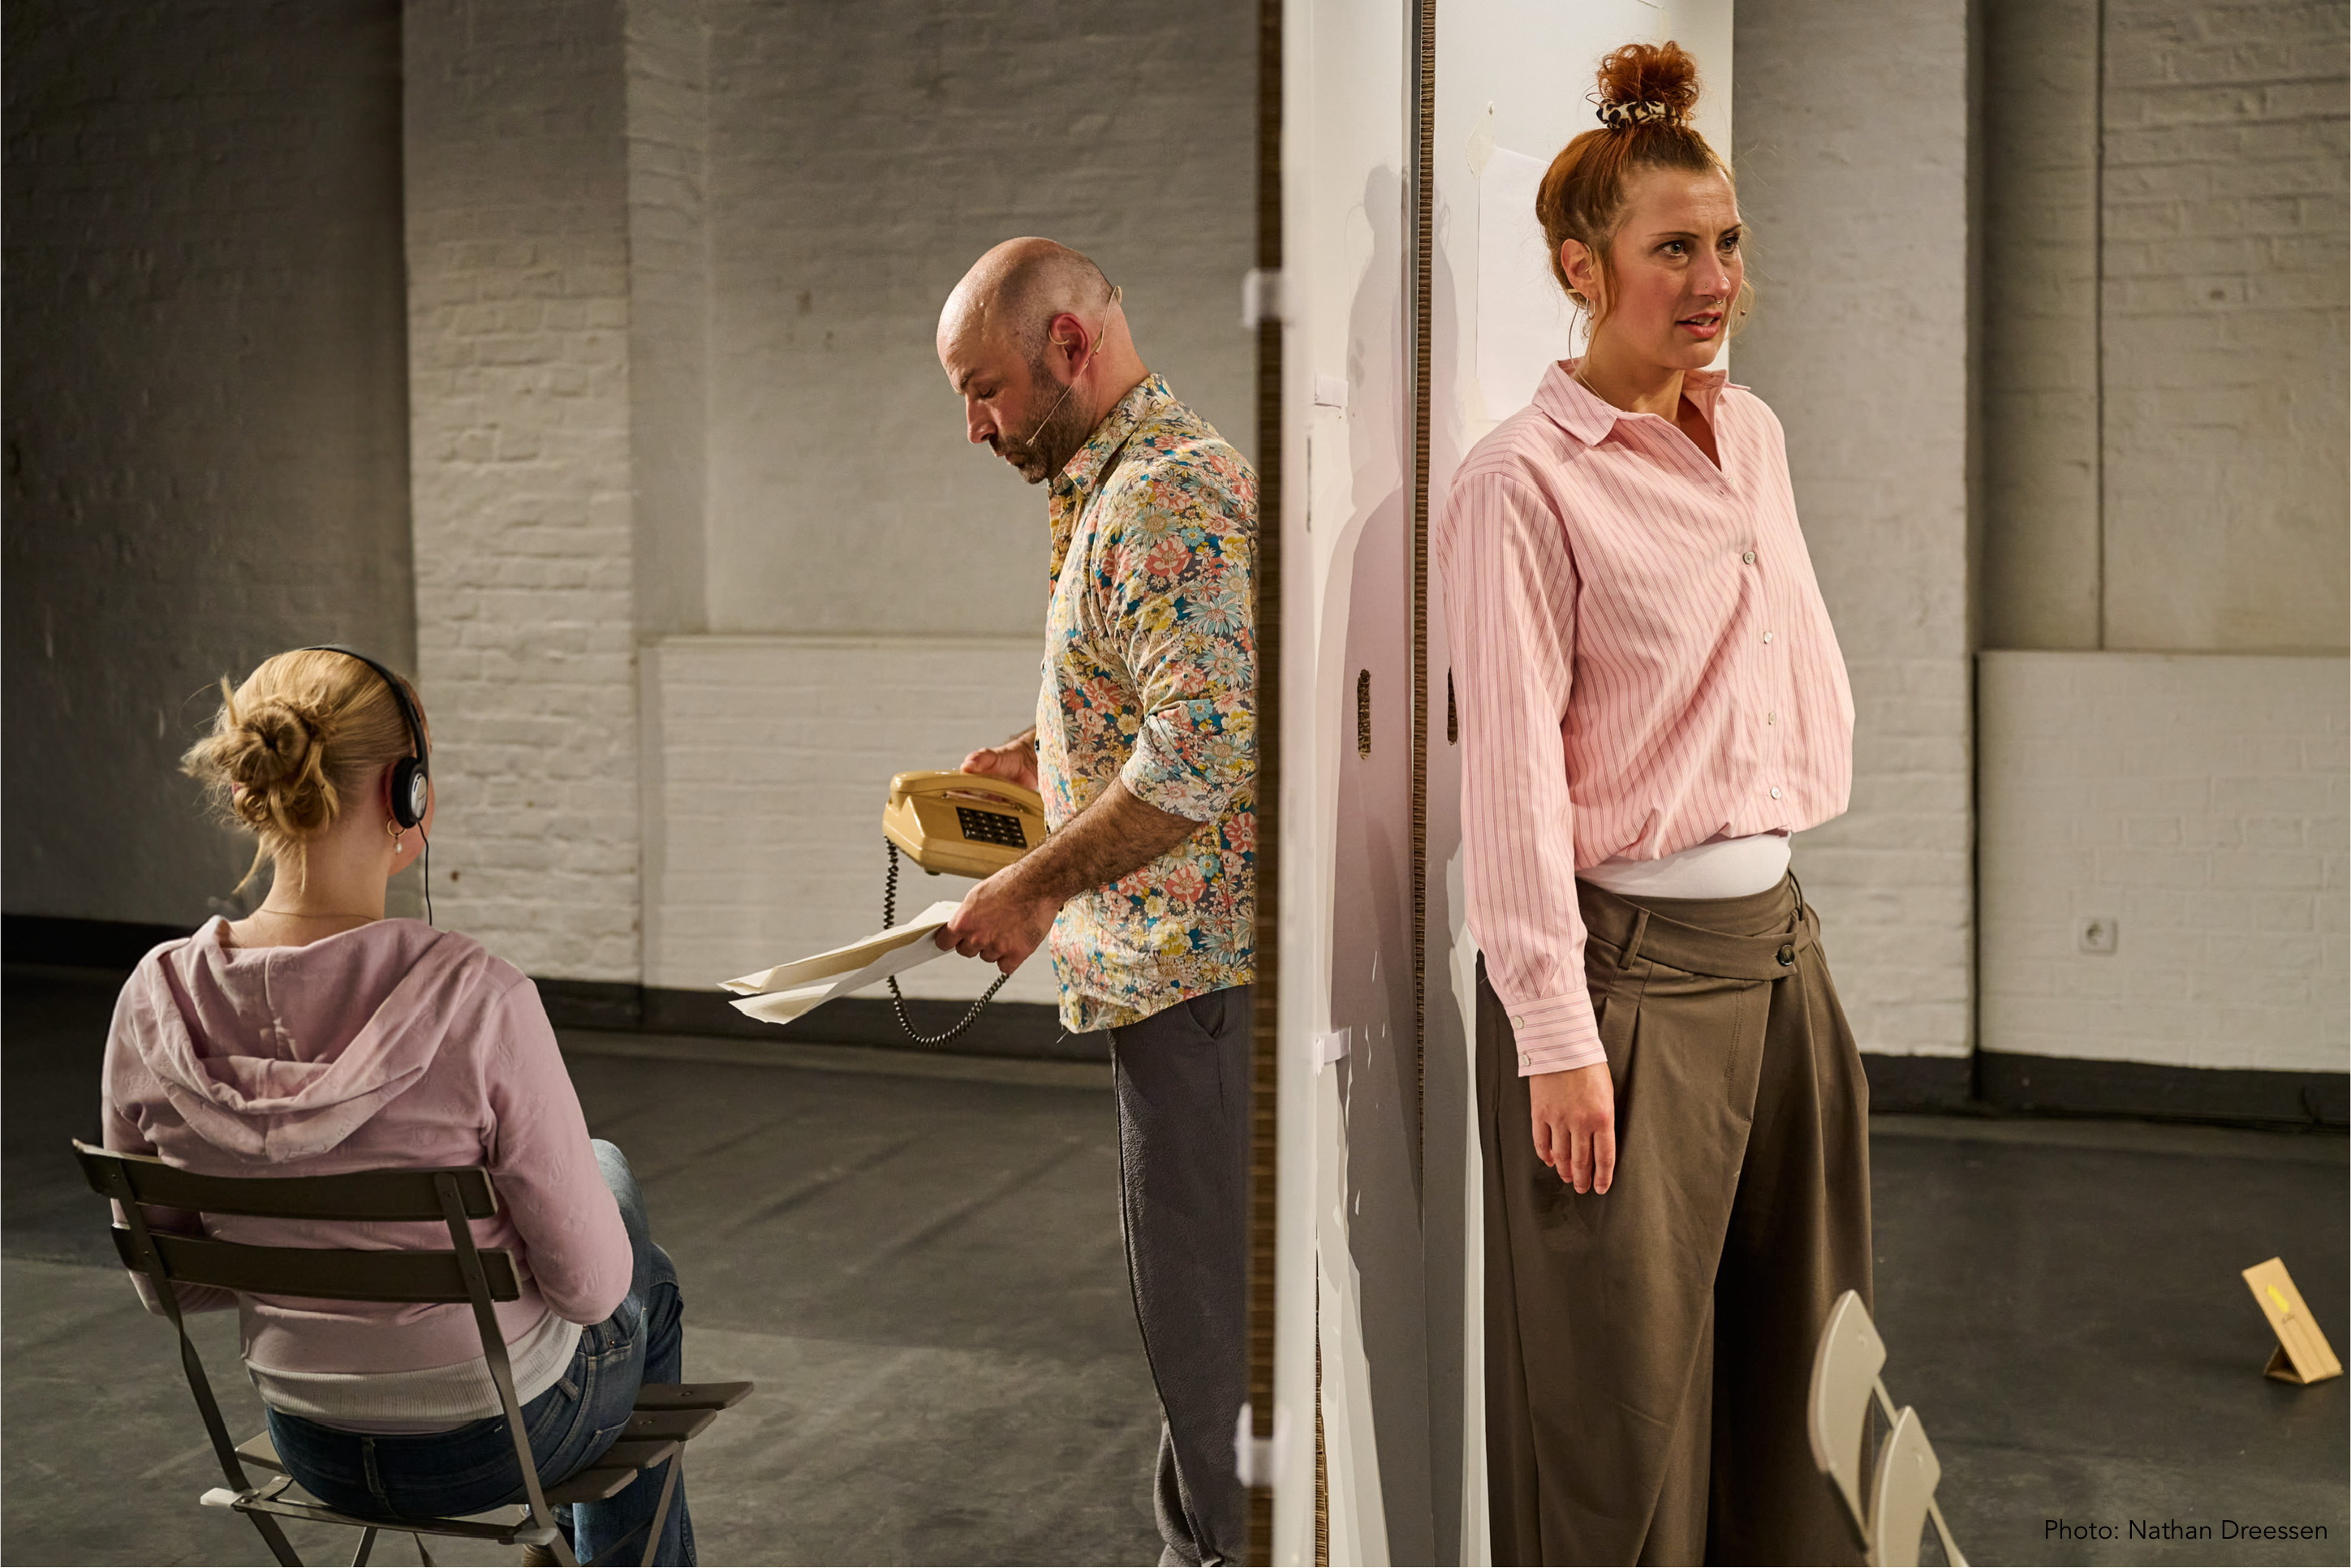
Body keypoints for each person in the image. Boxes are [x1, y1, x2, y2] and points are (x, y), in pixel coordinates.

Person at [1435, 43, 1872, 1567]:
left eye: (1726, 242)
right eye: (1672, 248)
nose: (1712, 280)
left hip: (1782, 963)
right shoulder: (1521, 483)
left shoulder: (1750, 435)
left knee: (1803, 1387)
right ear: (1582, 267)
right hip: (1625, 987)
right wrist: (1555, 1035)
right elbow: (1506, 781)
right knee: (1616, 1415)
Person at [100, 647, 695, 1566]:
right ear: (404, 794)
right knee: (628, 1235)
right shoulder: (476, 996)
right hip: (503, 1441)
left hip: (312, 1442)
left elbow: (170, 1281)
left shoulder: (154, 1000)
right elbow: (588, 1291)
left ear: (252, 789)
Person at [932, 238, 1257, 1566]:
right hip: (1174, 990)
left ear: (1068, 346)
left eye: (985, 389)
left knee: (1214, 1345)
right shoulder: (1111, 483)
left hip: (1202, 990)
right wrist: (1047, 750)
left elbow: (1203, 755)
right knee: (1196, 1335)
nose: (975, 425)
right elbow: (1165, 685)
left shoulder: (1168, 495)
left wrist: (1030, 884)